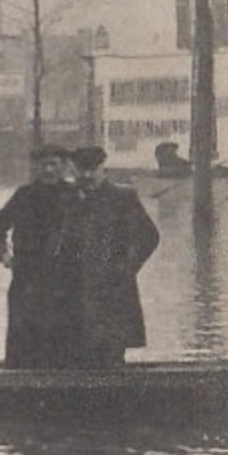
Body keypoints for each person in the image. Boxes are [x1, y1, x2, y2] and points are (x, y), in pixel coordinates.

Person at [63, 145, 160, 368]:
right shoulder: (67, 199)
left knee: (112, 352)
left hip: (113, 286)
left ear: (103, 169)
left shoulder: (122, 197)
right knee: (76, 354)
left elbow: (149, 236)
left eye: (92, 170)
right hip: (76, 287)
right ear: (74, 171)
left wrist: (127, 268)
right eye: (81, 171)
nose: (86, 176)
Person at [0, 145, 79, 368]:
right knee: (23, 333)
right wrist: (3, 253)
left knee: (63, 333)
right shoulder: (24, 195)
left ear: (64, 167)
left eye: (54, 164)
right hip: (28, 276)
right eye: (43, 165)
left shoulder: (75, 196)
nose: (48, 170)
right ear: (35, 167)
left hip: (64, 278)